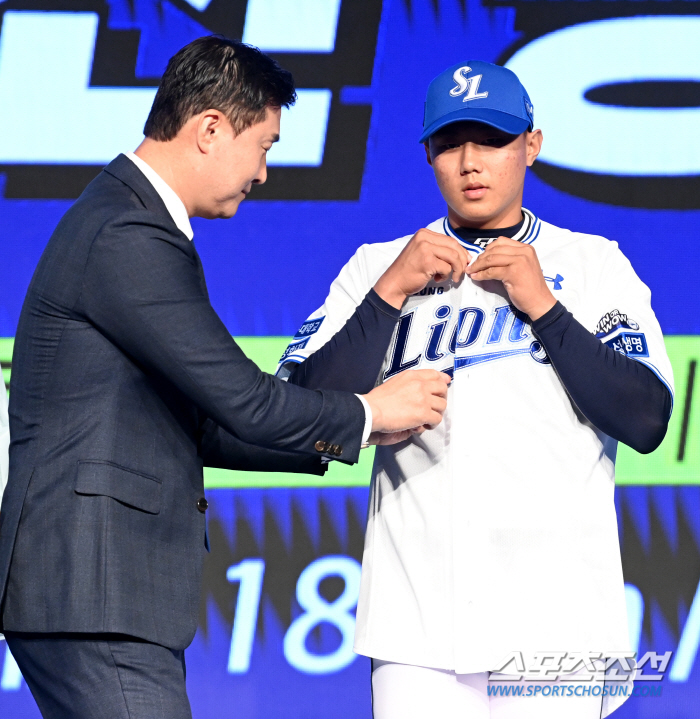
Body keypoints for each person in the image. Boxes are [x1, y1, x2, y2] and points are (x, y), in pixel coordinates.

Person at [0, 37, 450, 719]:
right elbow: (242, 397)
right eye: (264, 146)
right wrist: (369, 414)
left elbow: (203, 419)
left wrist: (330, 440)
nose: (264, 172)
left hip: (97, 593)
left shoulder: (131, 222)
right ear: (210, 129)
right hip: (93, 590)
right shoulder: (129, 234)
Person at [276, 61, 674, 718]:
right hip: (416, 625)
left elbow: (647, 417)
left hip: (558, 627)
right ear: (428, 153)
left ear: (531, 146)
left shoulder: (592, 263)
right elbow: (301, 414)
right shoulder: (378, 265)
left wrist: (543, 306)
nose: (470, 162)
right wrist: (387, 295)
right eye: (451, 142)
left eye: (491, 139)